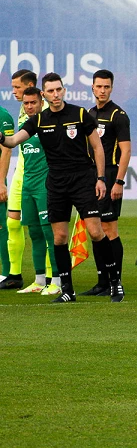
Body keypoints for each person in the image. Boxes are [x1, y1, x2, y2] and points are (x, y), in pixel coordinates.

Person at [0, 72, 123, 302]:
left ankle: (115, 282)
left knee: (96, 232)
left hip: (83, 181)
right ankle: (67, 290)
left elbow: (97, 147)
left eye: (59, 90)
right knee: (59, 238)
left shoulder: (79, 114)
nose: (56, 94)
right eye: (51, 91)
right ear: (44, 94)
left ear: (63, 91)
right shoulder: (38, 120)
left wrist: (100, 178)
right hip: (56, 184)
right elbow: (13, 141)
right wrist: (0, 137)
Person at [81, 69, 132, 296]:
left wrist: (119, 181)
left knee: (110, 229)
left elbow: (126, 150)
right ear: (92, 87)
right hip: (91, 176)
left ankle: (115, 281)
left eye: (106, 87)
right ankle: (102, 281)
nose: (102, 90)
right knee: (95, 228)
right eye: (99, 86)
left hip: (110, 176)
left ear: (111, 88)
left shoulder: (118, 115)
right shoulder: (89, 114)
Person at [13, 87, 60, 295]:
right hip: (28, 185)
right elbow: (13, 143)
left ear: (42, 102)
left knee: (50, 232)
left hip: (45, 185)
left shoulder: (49, 124)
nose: (30, 106)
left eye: (33, 102)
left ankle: (57, 281)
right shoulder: (25, 125)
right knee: (34, 232)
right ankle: (39, 280)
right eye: (26, 103)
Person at [1, 69, 40, 290]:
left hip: (38, 174)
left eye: (17, 87)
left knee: (42, 227)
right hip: (21, 173)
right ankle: (14, 274)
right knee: (12, 221)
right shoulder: (22, 108)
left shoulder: (41, 110)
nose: (13, 91)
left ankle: (48, 278)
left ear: (30, 85)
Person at [0, 100, 14, 287]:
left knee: (1, 225)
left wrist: (1, 182)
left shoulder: (3, 116)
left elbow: (6, 149)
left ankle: (5, 272)